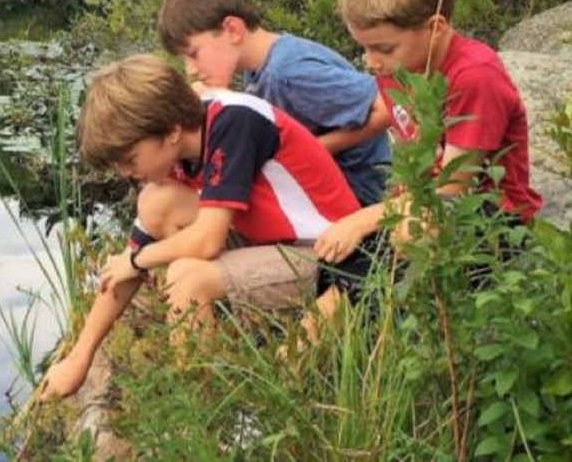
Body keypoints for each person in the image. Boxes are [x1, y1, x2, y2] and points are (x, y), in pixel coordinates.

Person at [39, 54, 360, 399]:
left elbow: (206, 242)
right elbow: (123, 267)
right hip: (273, 244)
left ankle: (203, 414)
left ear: (172, 132)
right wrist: (79, 357)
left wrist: (138, 260)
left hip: (333, 256)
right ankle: (233, 342)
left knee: (188, 278)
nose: (124, 173)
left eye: (129, 159)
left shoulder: (234, 122)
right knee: (156, 202)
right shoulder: (181, 142)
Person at [310, 0, 544, 330]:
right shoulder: (398, 69)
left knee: (391, 251)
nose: (370, 62)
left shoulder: (475, 76)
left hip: (491, 223)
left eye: (382, 47)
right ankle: (319, 362)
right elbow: (409, 160)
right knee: (342, 263)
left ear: (435, 27)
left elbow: (451, 190)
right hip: (418, 209)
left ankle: (334, 360)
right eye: (363, 48)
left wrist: (367, 218)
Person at [156, 0, 392, 206]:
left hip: (361, 194)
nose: (191, 70)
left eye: (194, 54)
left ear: (232, 30)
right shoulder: (260, 68)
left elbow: (386, 105)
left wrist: (310, 150)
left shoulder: (287, 73)